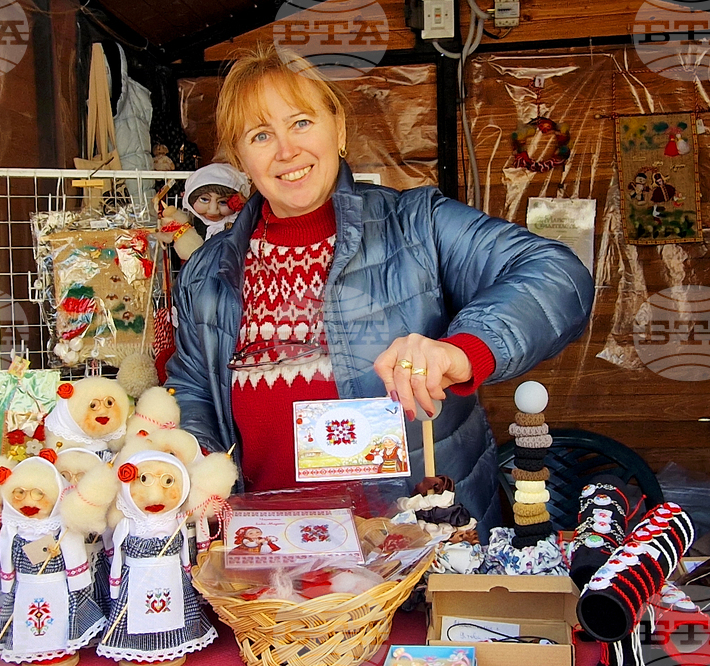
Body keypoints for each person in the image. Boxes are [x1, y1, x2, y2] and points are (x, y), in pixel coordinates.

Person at [165, 44, 594, 538]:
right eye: (261, 135)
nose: (286, 150)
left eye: (301, 123)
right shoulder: (206, 271)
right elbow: (194, 389)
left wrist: (462, 351)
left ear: (339, 128)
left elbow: (557, 273)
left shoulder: (415, 225)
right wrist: (190, 468)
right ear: (241, 158)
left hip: (417, 544)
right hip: (273, 555)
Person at [182, 162, 250, 240]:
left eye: (223, 202)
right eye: (204, 199)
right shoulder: (189, 225)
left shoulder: (244, 227)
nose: (213, 210)